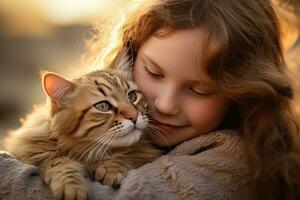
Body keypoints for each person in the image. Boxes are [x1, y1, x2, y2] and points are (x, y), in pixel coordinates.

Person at [1, 0, 300, 199]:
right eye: (154, 73)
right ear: (129, 57)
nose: (165, 105)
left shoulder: (233, 161)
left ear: (243, 93)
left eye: (200, 90)